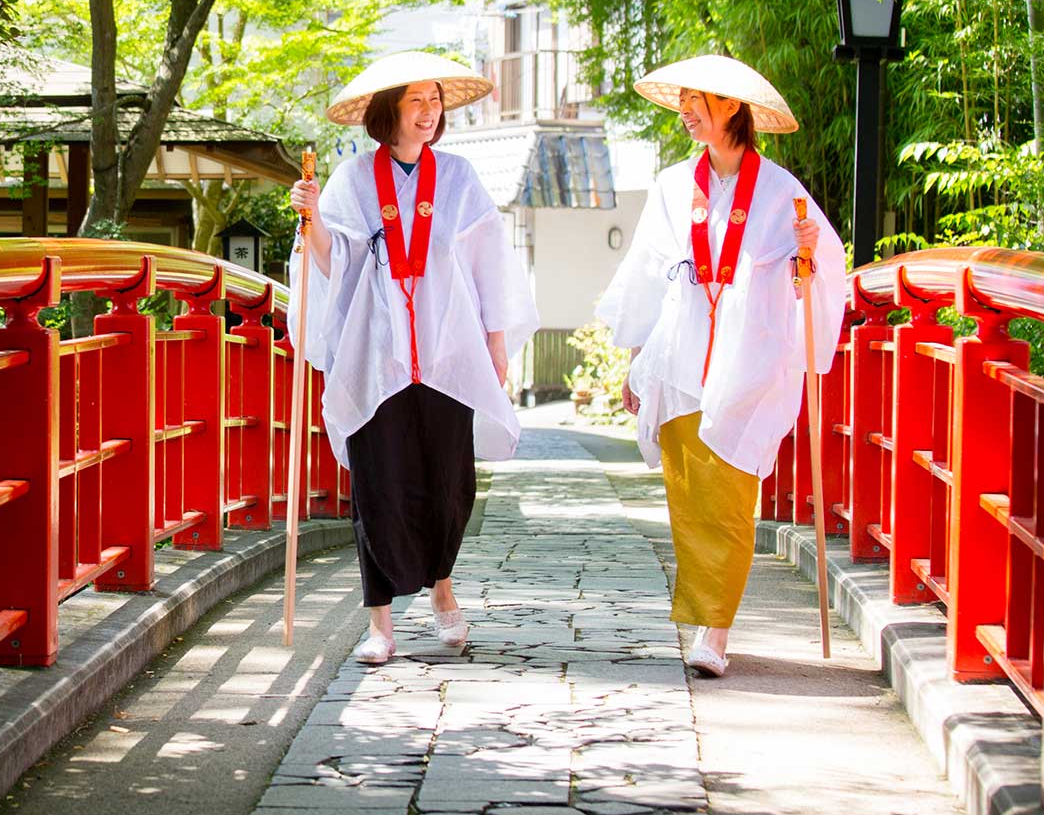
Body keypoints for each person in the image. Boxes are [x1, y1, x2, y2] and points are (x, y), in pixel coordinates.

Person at [595, 54, 844, 677]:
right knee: (689, 498)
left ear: (731, 107)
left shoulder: (784, 191)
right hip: (680, 352)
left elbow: (812, 278)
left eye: (694, 101)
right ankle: (705, 615)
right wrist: (636, 360)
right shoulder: (672, 186)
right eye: (682, 101)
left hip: (747, 356)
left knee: (731, 496)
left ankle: (717, 633)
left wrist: (806, 256)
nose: (684, 112)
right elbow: (648, 274)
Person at [290, 51, 538, 664]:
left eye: (435, 101)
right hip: (376, 355)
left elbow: (488, 265)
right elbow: (333, 259)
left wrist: (496, 341)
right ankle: (380, 622)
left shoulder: (458, 178)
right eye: (416, 102)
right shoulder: (351, 180)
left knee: (450, 483)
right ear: (388, 111)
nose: (429, 113)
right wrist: (312, 217)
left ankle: (444, 589)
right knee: (377, 485)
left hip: (449, 348)